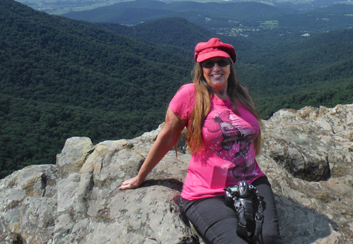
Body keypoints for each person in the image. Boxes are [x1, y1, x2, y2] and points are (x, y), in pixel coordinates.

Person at [119, 38, 283, 244]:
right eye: (208, 64)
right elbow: (168, 136)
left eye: (221, 62)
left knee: (269, 239)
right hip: (206, 191)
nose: (216, 68)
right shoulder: (189, 94)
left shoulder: (242, 94)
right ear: (201, 69)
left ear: (230, 66)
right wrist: (140, 176)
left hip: (250, 180)